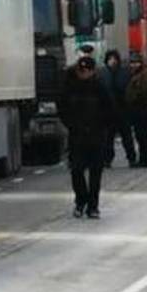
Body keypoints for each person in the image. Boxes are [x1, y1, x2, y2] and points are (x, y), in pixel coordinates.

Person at [57, 54, 109, 218]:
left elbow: (110, 109)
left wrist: (103, 128)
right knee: (77, 171)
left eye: (87, 71)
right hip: (77, 136)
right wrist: (72, 125)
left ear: (93, 71)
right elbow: (62, 108)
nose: (84, 73)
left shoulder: (100, 87)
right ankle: (81, 200)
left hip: (97, 136)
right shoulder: (70, 87)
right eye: (81, 70)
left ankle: (93, 206)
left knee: (95, 173)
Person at [99, 50, 136, 168]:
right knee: (107, 138)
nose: (113, 61)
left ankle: (131, 158)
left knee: (127, 137)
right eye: (110, 59)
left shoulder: (124, 73)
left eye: (114, 59)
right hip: (108, 111)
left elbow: (128, 89)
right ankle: (107, 159)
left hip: (122, 109)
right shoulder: (102, 73)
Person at [123, 52, 147, 168]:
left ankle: (145, 159)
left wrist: (133, 98)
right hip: (138, 109)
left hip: (142, 109)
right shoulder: (137, 74)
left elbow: (145, 92)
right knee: (140, 135)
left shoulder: (145, 74)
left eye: (136, 63)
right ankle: (144, 159)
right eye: (132, 63)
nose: (133, 65)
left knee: (142, 135)